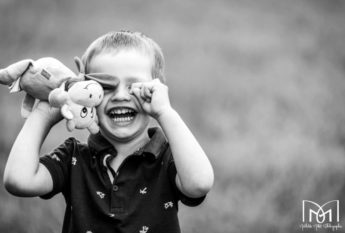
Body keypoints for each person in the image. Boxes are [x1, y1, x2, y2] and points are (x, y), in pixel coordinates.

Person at [3, 31, 214, 233]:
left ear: (156, 90)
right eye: (106, 86)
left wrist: (166, 112)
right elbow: (18, 181)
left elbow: (199, 184)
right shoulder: (74, 158)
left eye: (134, 85)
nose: (121, 95)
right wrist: (43, 114)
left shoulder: (166, 158)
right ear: (85, 90)